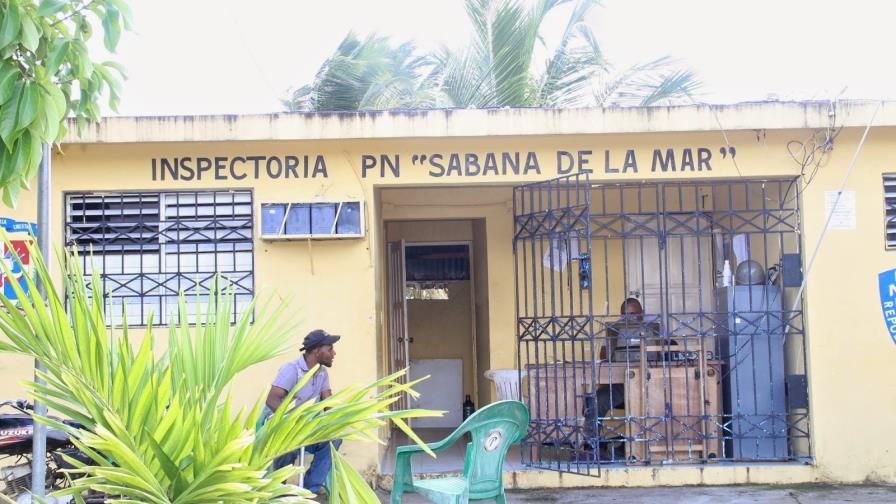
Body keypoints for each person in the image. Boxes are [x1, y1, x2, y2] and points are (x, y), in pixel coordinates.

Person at [266, 329, 341, 494]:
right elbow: (272, 400)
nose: (333, 353)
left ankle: (308, 492)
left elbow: (328, 403)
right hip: (284, 427)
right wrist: (293, 423)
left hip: (305, 428)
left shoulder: (321, 372)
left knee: (333, 440)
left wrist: (339, 421)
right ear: (316, 350)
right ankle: (277, 491)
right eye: (329, 349)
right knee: (289, 448)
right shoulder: (292, 369)